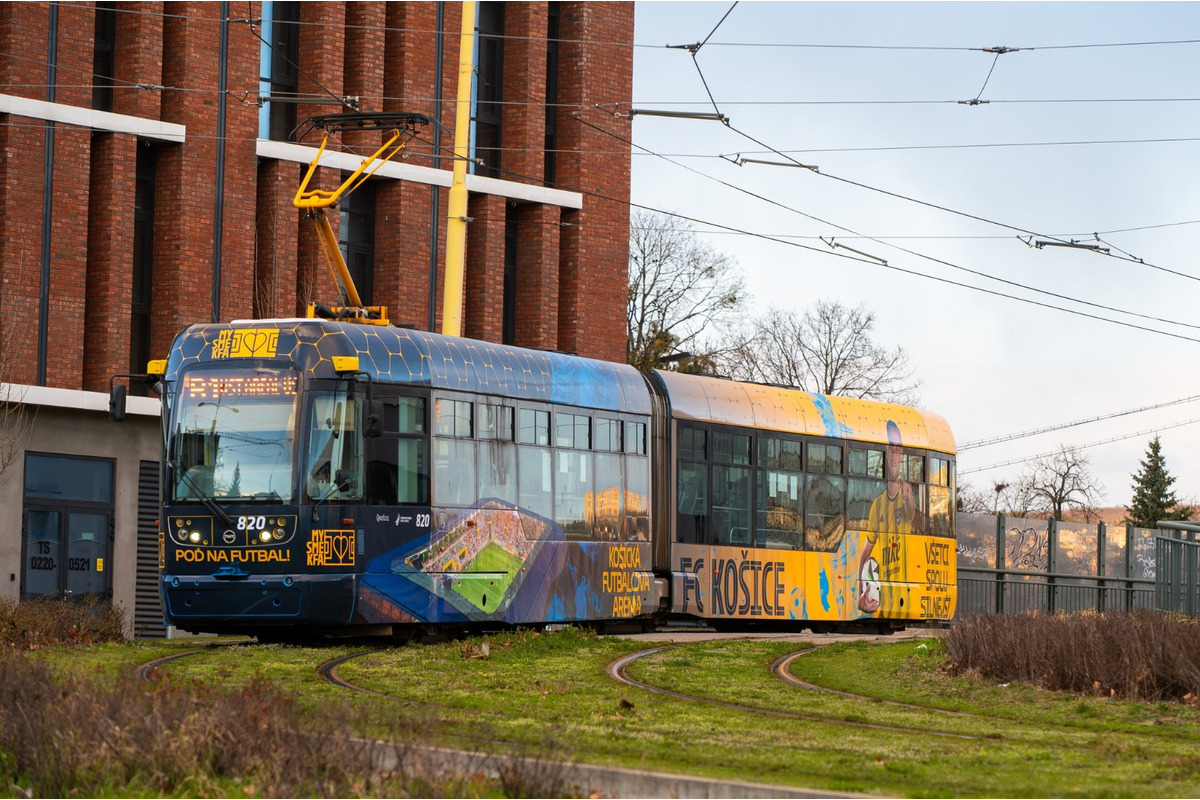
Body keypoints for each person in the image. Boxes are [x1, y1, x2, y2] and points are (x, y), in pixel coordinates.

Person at [857, 421, 918, 613]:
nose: (894, 454)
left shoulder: (907, 493)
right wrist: (860, 592)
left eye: (898, 449)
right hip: (882, 604)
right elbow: (865, 552)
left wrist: (909, 501)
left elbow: (911, 514)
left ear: (901, 455)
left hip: (904, 599)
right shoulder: (877, 505)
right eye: (891, 448)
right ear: (885, 453)